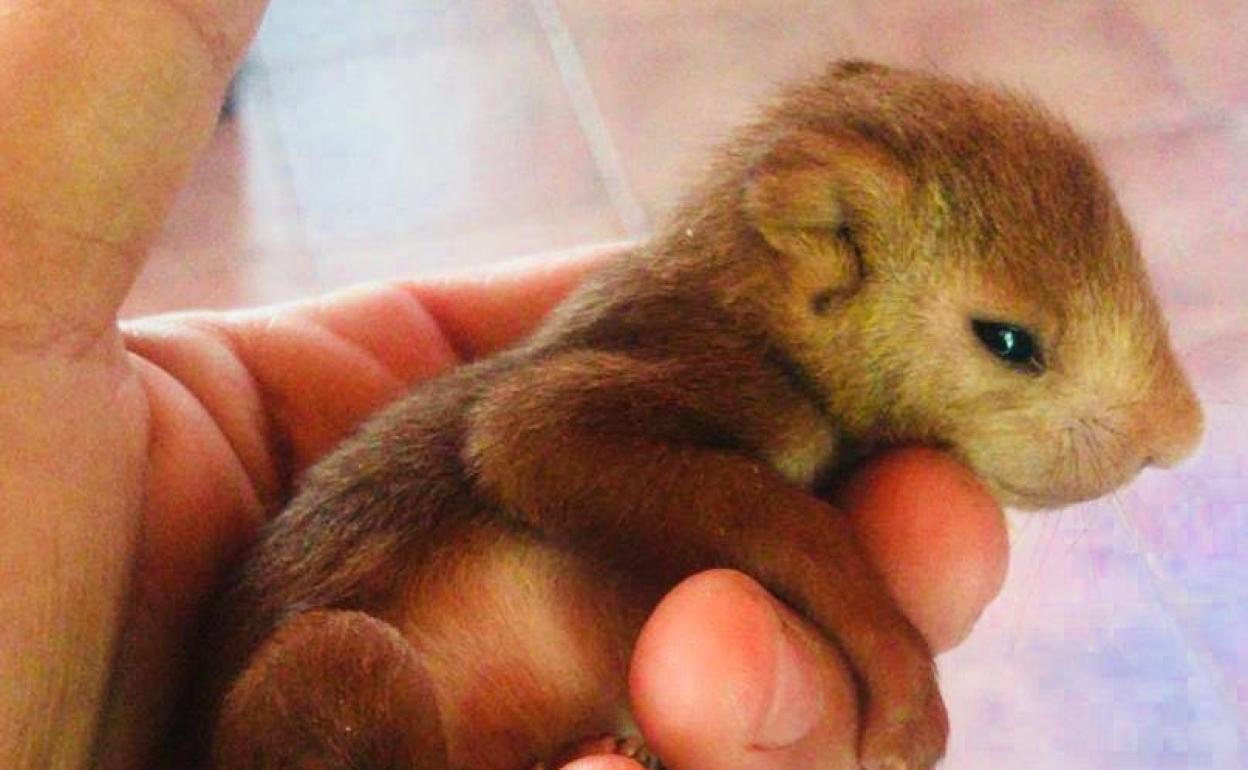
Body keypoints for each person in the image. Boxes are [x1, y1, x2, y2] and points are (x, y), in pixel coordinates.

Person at [0, 2, 1008, 769]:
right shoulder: (714, 363)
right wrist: (852, 602)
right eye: (1012, 342)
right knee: (347, 680)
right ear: (821, 247)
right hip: (329, 677)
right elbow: (529, 444)